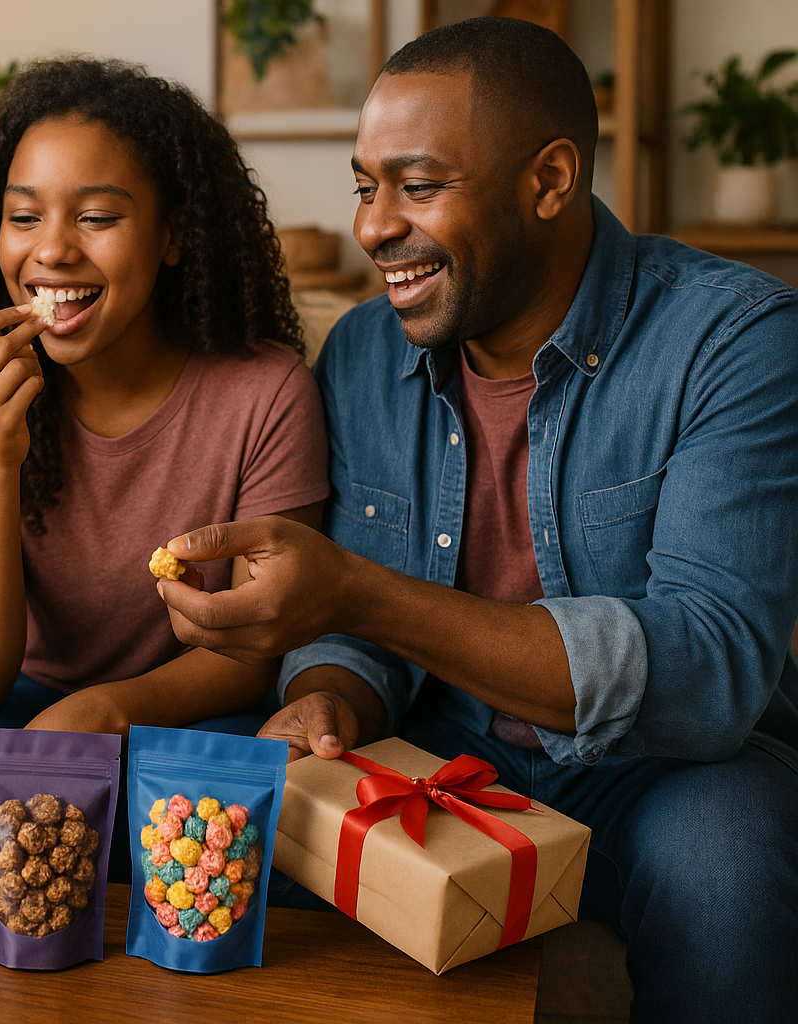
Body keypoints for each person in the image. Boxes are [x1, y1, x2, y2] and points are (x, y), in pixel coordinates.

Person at [158, 18, 798, 1024]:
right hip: (447, 747)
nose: (374, 228)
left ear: (549, 181)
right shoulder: (363, 353)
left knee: (728, 865)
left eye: (417, 186)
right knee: (254, 835)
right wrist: (326, 694)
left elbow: (710, 668)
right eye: (365, 187)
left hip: (666, 772)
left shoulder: (737, 340)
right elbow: (351, 632)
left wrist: (356, 595)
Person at [0, 58, 328, 872]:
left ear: (172, 235)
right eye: (23, 217)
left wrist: (110, 712)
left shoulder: (265, 392)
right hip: (14, 708)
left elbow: (256, 645)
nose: (52, 249)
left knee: (241, 837)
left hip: (184, 714)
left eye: (96, 217)